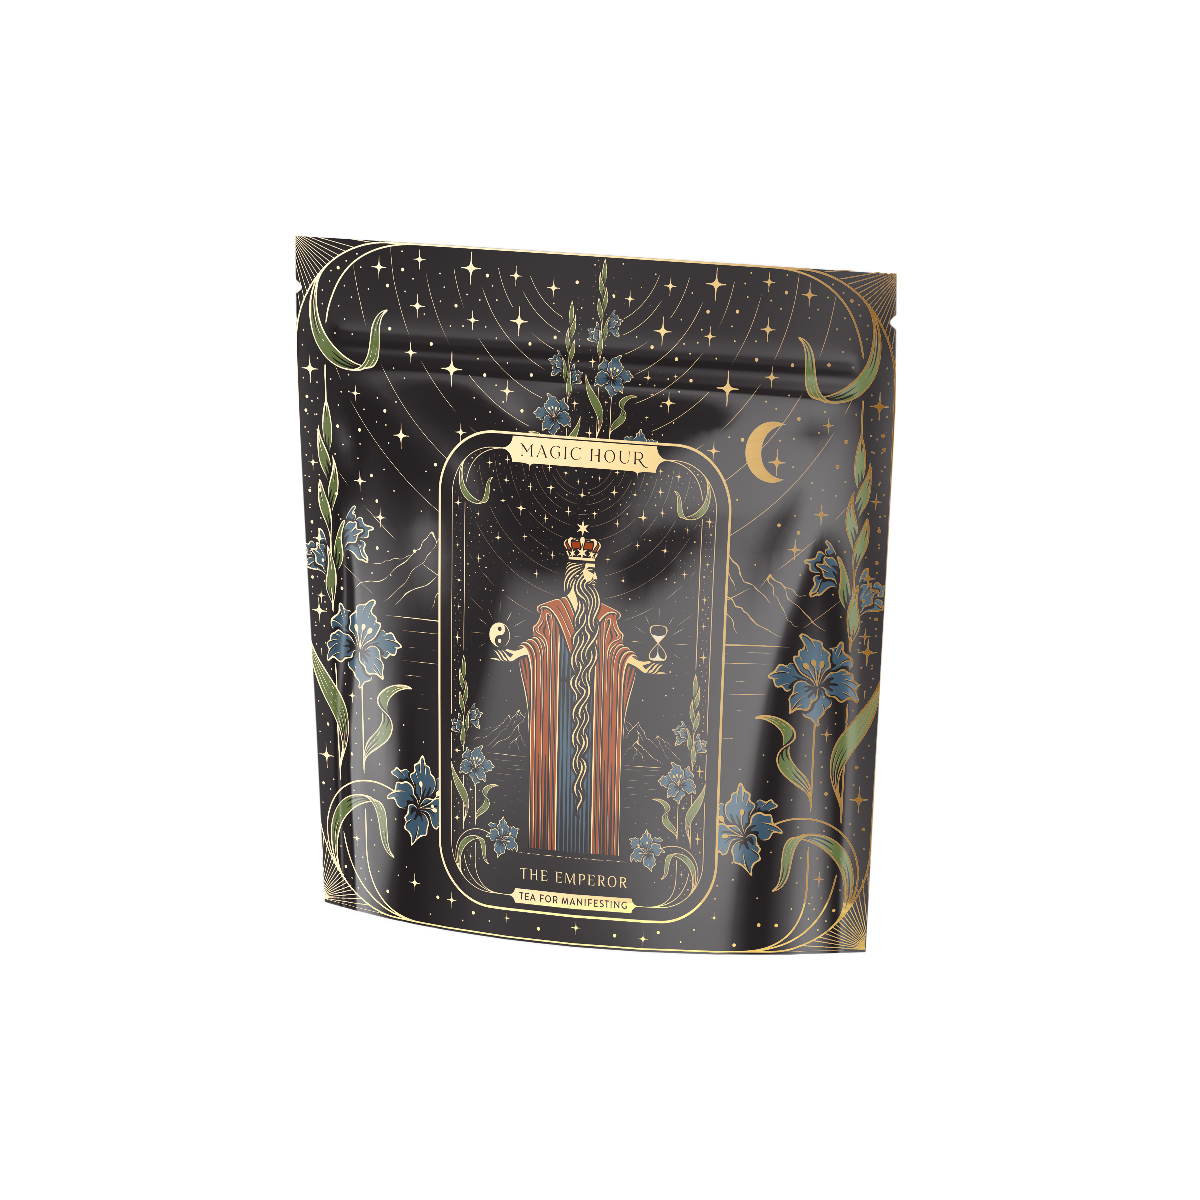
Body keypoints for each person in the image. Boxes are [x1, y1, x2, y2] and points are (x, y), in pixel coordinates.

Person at [493, 530, 661, 854]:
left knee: (597, 774)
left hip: (595, 711)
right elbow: (539, 644)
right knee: (553, 775)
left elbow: (614, 650)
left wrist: (638, 663)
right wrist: (516, 654)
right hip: (557, 708)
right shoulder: (552, 612)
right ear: (575, 575)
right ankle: (548, 842)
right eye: (590, 572)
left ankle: (596, 843)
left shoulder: (603, 616)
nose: (594, 578)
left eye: (595, 572)